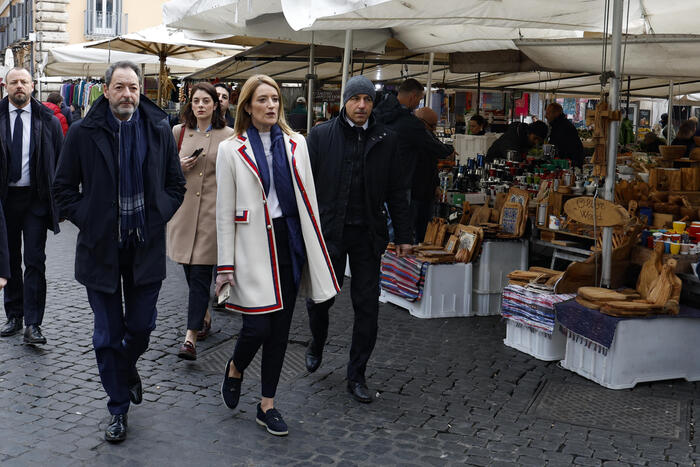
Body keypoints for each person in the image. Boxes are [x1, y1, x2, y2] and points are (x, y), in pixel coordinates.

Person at [53, 61, 186, 442]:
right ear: (106, 91)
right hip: (101, 250)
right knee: (108, 335)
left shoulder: (158, 129)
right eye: (120, 87)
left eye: (133, 87)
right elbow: (63, 188)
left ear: (139, 92)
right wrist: (91, 219)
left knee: (142, 327)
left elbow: (175, 184)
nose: (127, 94)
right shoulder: (82, 132)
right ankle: (118, 408)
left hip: (145, 246)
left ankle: (126, 369)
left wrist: (159, 215)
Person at [216, 74, 338, 436]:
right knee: (257, 325)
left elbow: (309, 200)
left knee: (281, 329)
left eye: (275, 99)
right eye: (262, 100)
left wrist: (316, 247)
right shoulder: (231, 149)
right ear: (248, 108)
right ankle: (236, 367)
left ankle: (267, 404)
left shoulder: (297, 143)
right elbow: (223, 211)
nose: (270, 106)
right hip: (250, 246)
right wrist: (226, 266)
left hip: (289, 242)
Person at [304, 75, 412, 404]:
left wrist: (404, 235)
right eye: (356, 99)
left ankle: (357, 373)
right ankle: (316, 341)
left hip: (367, 235)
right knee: (320, 299)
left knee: (367, 308)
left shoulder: (386, 138)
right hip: (329, 233)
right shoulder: (321, 136)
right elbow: (303, 186)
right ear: (345, 102)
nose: (362, 105)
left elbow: (397, 190)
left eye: (367, 99)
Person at [169, 83, 234, 360]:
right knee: (188, 268)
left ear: (215, 105)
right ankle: (204, 314)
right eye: (196, 101)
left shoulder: (230, 136)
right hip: (182, 212)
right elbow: (163, 168)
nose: (201, 105)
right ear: (190, 104)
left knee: (199, 277)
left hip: (212, 213)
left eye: (206, 101)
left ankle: (190, 337)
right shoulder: (178, 132)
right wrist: (177, 166)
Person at [0, 68, 63, 344]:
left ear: (33, 86)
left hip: (35, 200)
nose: (19, 87)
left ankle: (33, 323)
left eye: (24, 82)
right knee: (9, 258)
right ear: (6, 86)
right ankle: (14, 315)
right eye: (14, 82)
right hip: (5, 200)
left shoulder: (47, 120)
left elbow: (61, 161)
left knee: (35, 261)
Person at [373, 78, 427, 190]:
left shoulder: (379, 111)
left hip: (378, 178)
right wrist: (447, 150)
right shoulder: (409, 122)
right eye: (420, 99)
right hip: (399, 180)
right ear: (413, 96)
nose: (418, 103)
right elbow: (428, 144)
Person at [412, 107, 454, 242]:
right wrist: (449, 150)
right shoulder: (420, 133)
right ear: (421, 122)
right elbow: (441, 149)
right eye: (432, 125)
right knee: (414, 231)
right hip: (414, 190)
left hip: (424, 190)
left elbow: (432, 163)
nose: (434, 129)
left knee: (422, 231)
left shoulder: (425, 133)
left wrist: (436, 184)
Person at [545, 102, 584, 167]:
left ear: (556, 113)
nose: (546, 116)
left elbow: (563, 148)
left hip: (568, 164)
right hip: (566, 162)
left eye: (548, 113)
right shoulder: (557, 125)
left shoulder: (564, 127)